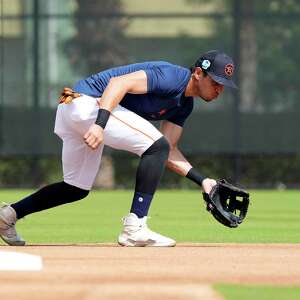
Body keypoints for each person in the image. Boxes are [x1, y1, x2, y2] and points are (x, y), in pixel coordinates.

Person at [0, 50, 237, 247]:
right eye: (216, 82)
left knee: (75, 188)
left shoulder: (184, 106)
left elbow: (168, 150)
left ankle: (7, 216)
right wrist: (99, 125)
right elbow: (118, 83)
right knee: (155, 145)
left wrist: (204, 181)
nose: (219, 89)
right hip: (86, 102)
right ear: (198, 73)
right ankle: (135, 226)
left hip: (74, 108)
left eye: (224, 85)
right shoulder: (172, 77)